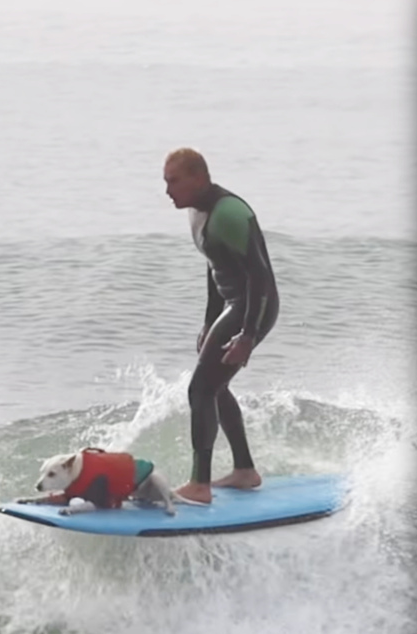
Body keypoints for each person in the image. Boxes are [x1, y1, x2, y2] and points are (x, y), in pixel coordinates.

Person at [163, 148, 280, 504]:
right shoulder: (197, 212)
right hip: (233, 306)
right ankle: (244, 471)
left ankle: (200, 484)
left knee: (200, 389)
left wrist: (247, 334)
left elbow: (259, 275)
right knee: (215, 386)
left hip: (253, 306)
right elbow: (216, 267)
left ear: (198, 178)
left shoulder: (228, 213)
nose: (168, 191)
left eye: (173, 181)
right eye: (165, 182)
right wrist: (208, 321)